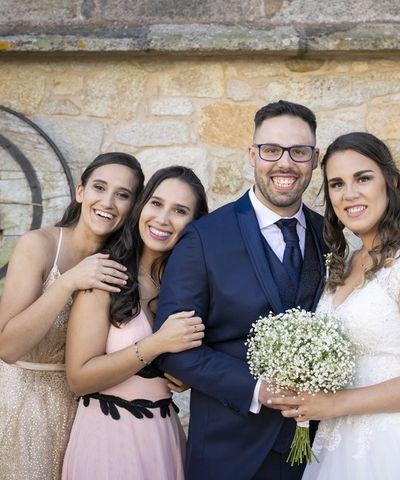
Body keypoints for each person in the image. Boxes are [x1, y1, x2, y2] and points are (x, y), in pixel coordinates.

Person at [276, 132, 400, 479]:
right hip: (340, 444)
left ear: (390, 181)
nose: (349, 194)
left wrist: (333, 404)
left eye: (362, 178)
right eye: (337, 184)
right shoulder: (345, 263)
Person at [154, 100, 327, 480]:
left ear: (315, 159)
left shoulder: (329, 234)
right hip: (229, 452)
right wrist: (257, 388)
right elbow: (173, 352)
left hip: (319, 451)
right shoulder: (204, 238)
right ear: (252, 154)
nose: (285, 163)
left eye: (298, 151)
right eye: (271, 150)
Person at [0, 152, 144, 480]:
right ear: (81, 192)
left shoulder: (123, 264)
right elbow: (7, 348)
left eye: (122, 195)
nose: (108, 202)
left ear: (132, 207)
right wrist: (68, 282)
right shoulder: (38, 245)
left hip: (83, 414)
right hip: (17, 403)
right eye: (99, 187)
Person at [61, 166, 209, 479]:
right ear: (142, 207)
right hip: (107, 438)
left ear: (194, 225)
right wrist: (156, 344)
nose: (163, 219)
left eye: (180, 211)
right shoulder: (106, 275)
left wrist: (186, 374)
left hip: (163, 435)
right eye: (156, 204)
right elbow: (79, 379)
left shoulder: (188, 287)